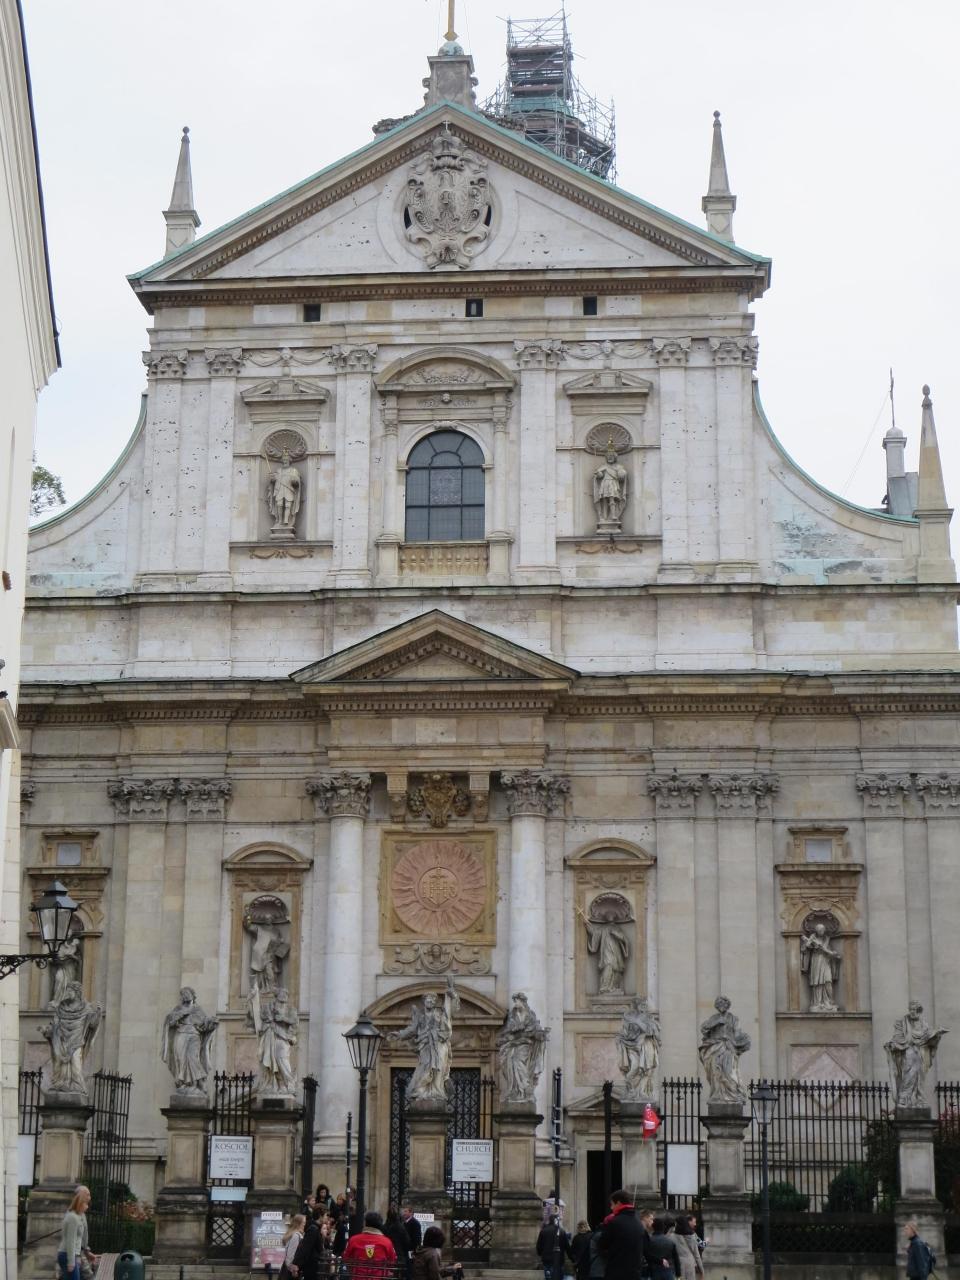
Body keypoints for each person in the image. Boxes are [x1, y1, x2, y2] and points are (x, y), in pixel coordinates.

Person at [598, 1190, 648, 1280]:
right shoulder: (639, 1223)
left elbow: (602, 1245)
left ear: (618, 1203)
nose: (611, 1208)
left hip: (616, 1273)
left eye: (612, 1204)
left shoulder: (614, 1222)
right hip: (635, 1273)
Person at [343, 1211, 397, 1280]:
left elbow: (346, 1258)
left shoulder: (354, 1240)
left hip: (358, 1277)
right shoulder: (387, 1242)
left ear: (365, 1223)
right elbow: (392, 1261)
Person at [58, 1187, 96, 1280]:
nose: (87, 1206)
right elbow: (71, 1241)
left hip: (75, 1254)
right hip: (68, 1254)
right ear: (79, 1202)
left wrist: (86, 1251)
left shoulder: (79, 1215)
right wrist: (72, 1261)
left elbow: (81, 1238)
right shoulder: (73, 1217)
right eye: (85, 1203)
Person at [292, 1209, 326, 1280]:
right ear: (320, 1216)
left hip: (312, 1266)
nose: (327, 1217)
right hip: (311, 1267)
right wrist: (296, 1264)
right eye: (326, 1215)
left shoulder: (315, 1228)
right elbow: (305, 1248)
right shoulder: (313, 1229)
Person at [536, 1213, 572, 1280]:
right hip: (559, 1260)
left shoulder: (543, 1231)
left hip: (547, 1260)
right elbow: (567, 1247)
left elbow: (539, 1246)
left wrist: (541, 1254)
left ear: (549, 1221)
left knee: (548, 1277)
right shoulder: (562, 1231)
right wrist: (571, 1258)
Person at [384, 1208, 412, 1273]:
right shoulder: (401, 1228)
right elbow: (407, 1242)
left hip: (386, 1255)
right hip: (399, 1255)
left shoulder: (384, 1227)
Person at [282, 1214, 307, 1280]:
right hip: (292, 1271)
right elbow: (290, 1254)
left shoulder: (296, 1234)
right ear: (298, 1223)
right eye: (304, 1222)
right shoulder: (296, 1236)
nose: (305, 1224)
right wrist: (293, 1270)